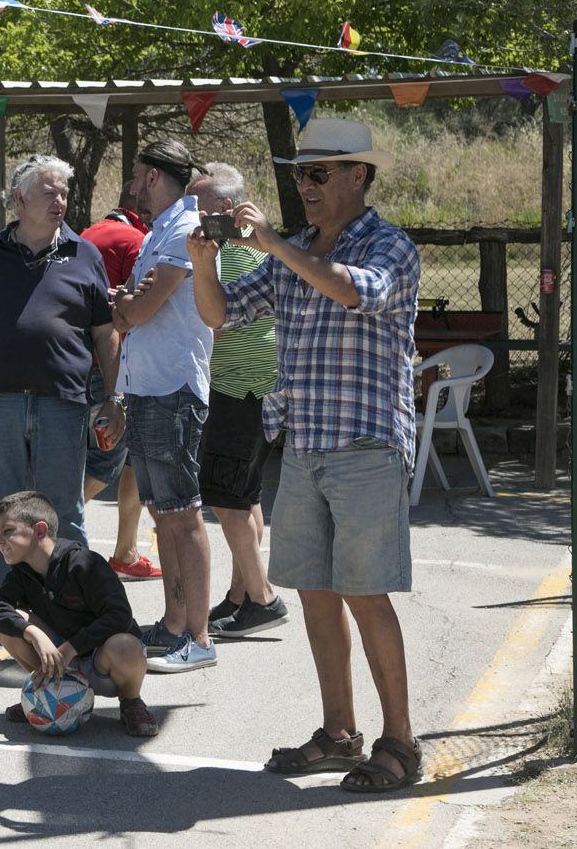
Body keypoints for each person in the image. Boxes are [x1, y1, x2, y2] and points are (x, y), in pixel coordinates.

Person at [188, 118, 423, 793]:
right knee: (317, 595)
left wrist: (268, 243)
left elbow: (352, 290)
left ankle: (401, 743)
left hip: (366, 446)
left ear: (358, 175)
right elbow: (220, 314)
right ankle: (340, 732)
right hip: (303, 445)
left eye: (319, 173)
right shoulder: (291, 250)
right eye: (300, 174)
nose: (307, 186)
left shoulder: (390, 246)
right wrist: (206, 264)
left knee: (365, 594)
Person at [0, 154, 125, 621]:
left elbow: (106, 332)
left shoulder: (86, 254)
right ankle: (3, 608)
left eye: (64, 192)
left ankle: (73, 607)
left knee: (64, 512)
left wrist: (114, 397)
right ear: (20, 199)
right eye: (49, 192)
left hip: (63, 402)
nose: (60, 200)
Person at [113, 140, 217, 675]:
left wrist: (127, 303)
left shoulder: (182, 228)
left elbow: (140, 308)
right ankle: (175, 623)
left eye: (136, 175)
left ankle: (197, 638)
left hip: (173, 390)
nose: (131, 185)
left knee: (183, 514)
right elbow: (129, 305)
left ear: (153, 176)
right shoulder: (161, 227)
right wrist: (128, 303)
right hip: (149, 390)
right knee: (164, 514)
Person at [186, 164, 288, 640]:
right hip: (262, 385)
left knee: (226, 499)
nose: (192, 215)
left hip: (237, 385)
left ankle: (263, 597)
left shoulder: (225, 248)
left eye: (198, 206)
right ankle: (241, 595)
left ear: (225, 210)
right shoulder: (261, 241)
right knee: (245, 497)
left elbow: (214, 317)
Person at [0, 490, 158, 737]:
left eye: (8, 531)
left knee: (125, 645)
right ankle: (44, 692)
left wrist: (70, 648)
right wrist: (33, 633)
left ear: (40, 531)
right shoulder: (22, 572)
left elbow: (119, 616)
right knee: (12, 621)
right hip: (59, 662)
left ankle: (131, 701)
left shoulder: (83, 563)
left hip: (102, 662)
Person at [79, 198, 160, 581]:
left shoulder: (87, 233)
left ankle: (126, 552)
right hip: (114, 369)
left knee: (131, 463)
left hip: (88, 363)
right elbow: (135, 310)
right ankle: (43, 526)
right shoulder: (135, 241)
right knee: (107, 462)